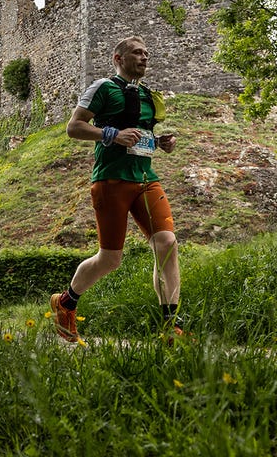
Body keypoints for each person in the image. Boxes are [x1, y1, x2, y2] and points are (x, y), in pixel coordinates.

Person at [50, 36, 184, 343]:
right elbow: (74, 127)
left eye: (146, 53)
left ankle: (171, 325)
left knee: (167, 243)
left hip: (146, 179)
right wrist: (111, 134)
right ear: (118, 58)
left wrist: (162, 143)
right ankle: (66, 302)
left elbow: (145, 135)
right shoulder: (103, 88)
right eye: (137, 52)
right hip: (111, 180)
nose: (144, 57)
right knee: (110, 258)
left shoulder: (150, 96)